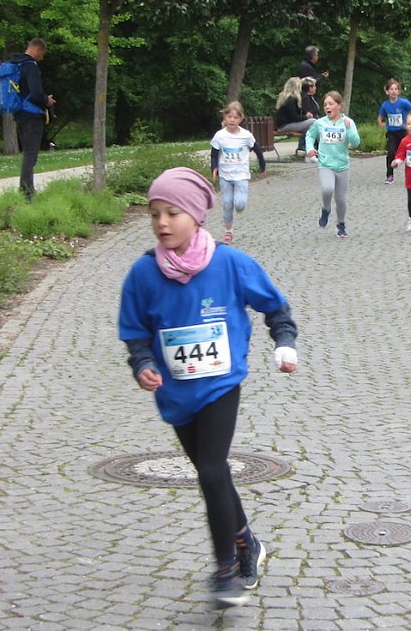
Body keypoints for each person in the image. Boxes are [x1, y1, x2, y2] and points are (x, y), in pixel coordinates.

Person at [118, 167, 298, 608]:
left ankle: (226, 571)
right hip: (176, 393)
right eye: (154, 214)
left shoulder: (230, 263)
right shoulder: (143, 274)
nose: (162, 223)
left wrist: (284, 342)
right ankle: (247, 542)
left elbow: (276, 307)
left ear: (196, 216)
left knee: (211, 470)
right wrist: (143, 364)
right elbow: (135, 333)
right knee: (210, 471)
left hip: (220, 384)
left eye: (172, 213)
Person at [305, 91, 361, 238]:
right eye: (325, 105)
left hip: (342, 165)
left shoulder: (348, 122)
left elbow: (356, 142)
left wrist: (349, 129)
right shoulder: (320, 123)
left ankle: (341, 224)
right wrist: (310, 148)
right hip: (325, 163)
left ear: (339, 106)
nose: (327, 107)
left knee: (341, 199)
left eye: (331, 104)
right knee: (327, 188)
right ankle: (326, 209)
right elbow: (309, 136)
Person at [210, 101, 266, 245]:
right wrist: (214, 168)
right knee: (227, 204)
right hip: (225, 175)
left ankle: (239, 203)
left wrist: (262, 165)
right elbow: (214, 154)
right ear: (225, 117)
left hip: (241, 175)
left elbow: (257, 150)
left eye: (235, 117)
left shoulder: (246, 135)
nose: (232, 120)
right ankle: (228, 231)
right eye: (229, 117)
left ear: (241, 118)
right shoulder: (220, 136)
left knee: (239, 204)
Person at [9, 38, 56, 200]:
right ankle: (27, 192)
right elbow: (36, 94)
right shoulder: (30, 66)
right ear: (37, 49)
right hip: (32, 116)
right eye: (42, 53)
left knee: (28, 153)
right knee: (31, 155)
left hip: (19, 114)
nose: (42, 58)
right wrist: (47, 100)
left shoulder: (15, 64)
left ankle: (26, 189)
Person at [377, 78, 411, 185]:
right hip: (392, 133)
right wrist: (381, 123)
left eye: (395, 89)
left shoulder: (403, 103)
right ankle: (389, 175)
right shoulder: (385, 105)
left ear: (398, 91)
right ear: (387, 91)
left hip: (403, 132)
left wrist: (410, 123)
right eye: (391, 89)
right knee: (391, 153)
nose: (393, 91)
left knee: (409, 153)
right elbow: (380, 116)